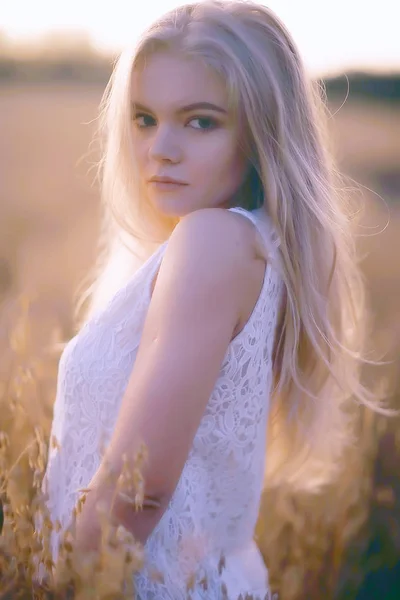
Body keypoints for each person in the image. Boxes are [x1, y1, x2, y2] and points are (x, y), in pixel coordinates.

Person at [36, 1, 382, 598]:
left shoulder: (214, 242)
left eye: (199, 121)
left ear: (263, 132)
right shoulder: (250, 244)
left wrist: (57, 585)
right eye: (144, 118)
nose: (160, 149)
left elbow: (139, 485)